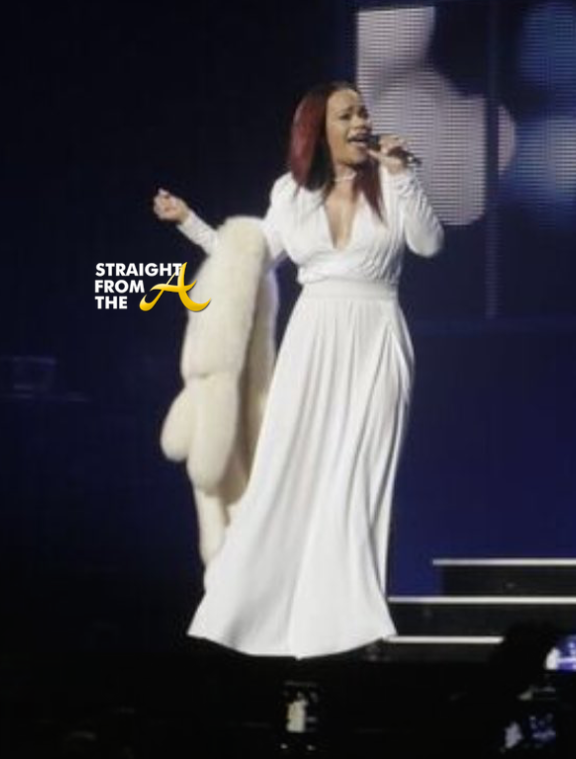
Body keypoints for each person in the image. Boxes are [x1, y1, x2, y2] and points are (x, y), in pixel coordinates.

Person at [153, 81, 443, 659]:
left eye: (363, 112)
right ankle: (257, 614)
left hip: (376, 336)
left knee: (358, 476)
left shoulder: (393, 182)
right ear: (318, 131)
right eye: (346, 114)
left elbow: (429, 244)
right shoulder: (290, 194)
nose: (361, 122)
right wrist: (188, 221)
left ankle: (348, 625)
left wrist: (403, 175)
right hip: (311, 342)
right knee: (288, 470)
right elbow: (246, 256)